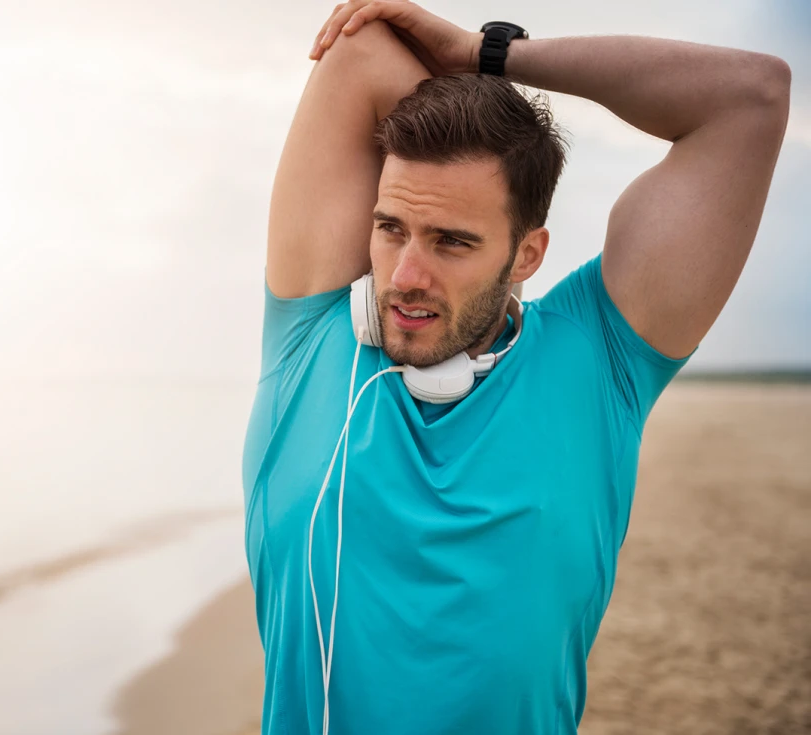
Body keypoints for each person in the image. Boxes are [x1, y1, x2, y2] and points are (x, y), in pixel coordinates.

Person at [240, 3, 790, 733]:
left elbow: (750, 97)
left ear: (526, 256)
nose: (404, 275)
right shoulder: (310, 338)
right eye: (391, 228)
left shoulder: (598, 361)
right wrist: (465, 98)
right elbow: (362, 48)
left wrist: (486, 53)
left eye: (451, 241)